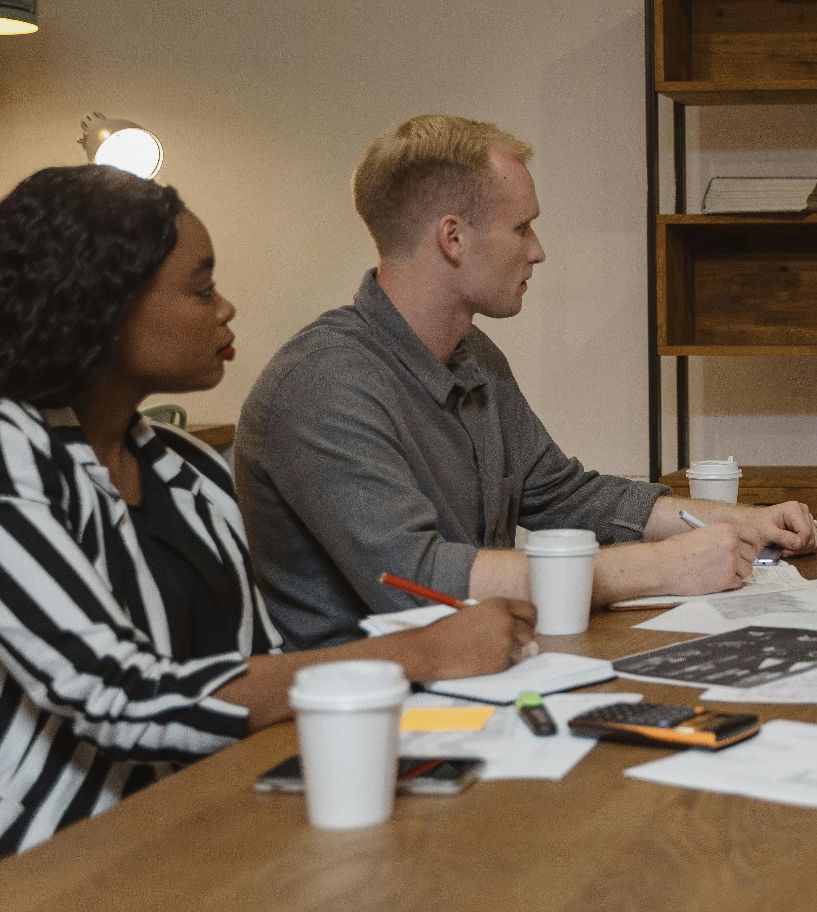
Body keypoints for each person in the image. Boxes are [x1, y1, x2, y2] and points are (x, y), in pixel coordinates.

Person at [0, 166, 532, 855]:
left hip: (210, 824)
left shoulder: (181, 463)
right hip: (58, 861)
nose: (225, 308)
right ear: (102, 306)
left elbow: (262, 665)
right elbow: (120, 696)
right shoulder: (15, 455)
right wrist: (423, 651)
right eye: (199, 288)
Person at [236, 115, 817, 649]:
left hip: (480, 671)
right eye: (523, 227)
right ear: (453, 237)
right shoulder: (321, 385)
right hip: (362, 712)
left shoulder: (474, 356)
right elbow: (414, 578)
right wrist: (659, 567)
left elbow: (564, 495)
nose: (537, 252)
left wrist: (739, 520)